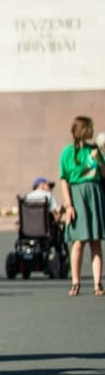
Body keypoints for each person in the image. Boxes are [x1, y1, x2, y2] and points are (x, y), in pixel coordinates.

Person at [58, 116, 104, 297]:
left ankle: (97, 283)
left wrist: (99, 160)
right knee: (78, 242)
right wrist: (69, 205)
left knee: (95, 241)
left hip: (95, 194)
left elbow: (104, 173)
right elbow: (64, 180)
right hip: (78, 196)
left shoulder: (94, 150)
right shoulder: (67, 153)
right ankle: (75, 282)